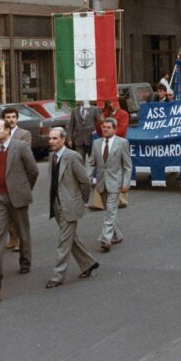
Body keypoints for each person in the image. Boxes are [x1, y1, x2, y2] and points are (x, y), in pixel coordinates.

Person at [0, 119, 38, 283]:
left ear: (7, 130)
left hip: (17, 196)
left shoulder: (20, 146)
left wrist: (24, 188)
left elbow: (33, 170)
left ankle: (25, 262)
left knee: (22, 232)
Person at [45, 128, 99, 288]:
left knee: (63, 241)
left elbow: (84, 181)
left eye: (55, 139)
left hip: (70, 205)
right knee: (71, 238)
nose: (51, 142)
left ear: (63, 139)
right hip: (56, 204)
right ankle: (89, 263)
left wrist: (81, 200)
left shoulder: (72, 156)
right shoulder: (52, 156)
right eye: (50, 139)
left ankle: (57, 276)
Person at [88, 118, 132, 253]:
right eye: (103, 127)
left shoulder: (122, 142)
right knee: (109, 211)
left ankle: (106, 239)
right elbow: (91, 163)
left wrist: (125, 183)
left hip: (115, 182)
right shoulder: (96, 143)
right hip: (101, 183)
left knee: (111, 210)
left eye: (108, 127)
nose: (105, 129)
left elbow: (127, 166)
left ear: (114, 129)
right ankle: (117, 234)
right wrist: (87, 178)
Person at [1, 107, 32, 251]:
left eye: (13, 117)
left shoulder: (24, 134)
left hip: (18, 178)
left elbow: (26, 158)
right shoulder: (0, 134)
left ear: (17, 119)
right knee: (6, 213)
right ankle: (12, 237)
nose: (11, 120)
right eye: (8, 117)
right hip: (3, 180)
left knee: (18, 213)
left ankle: (20, 240)